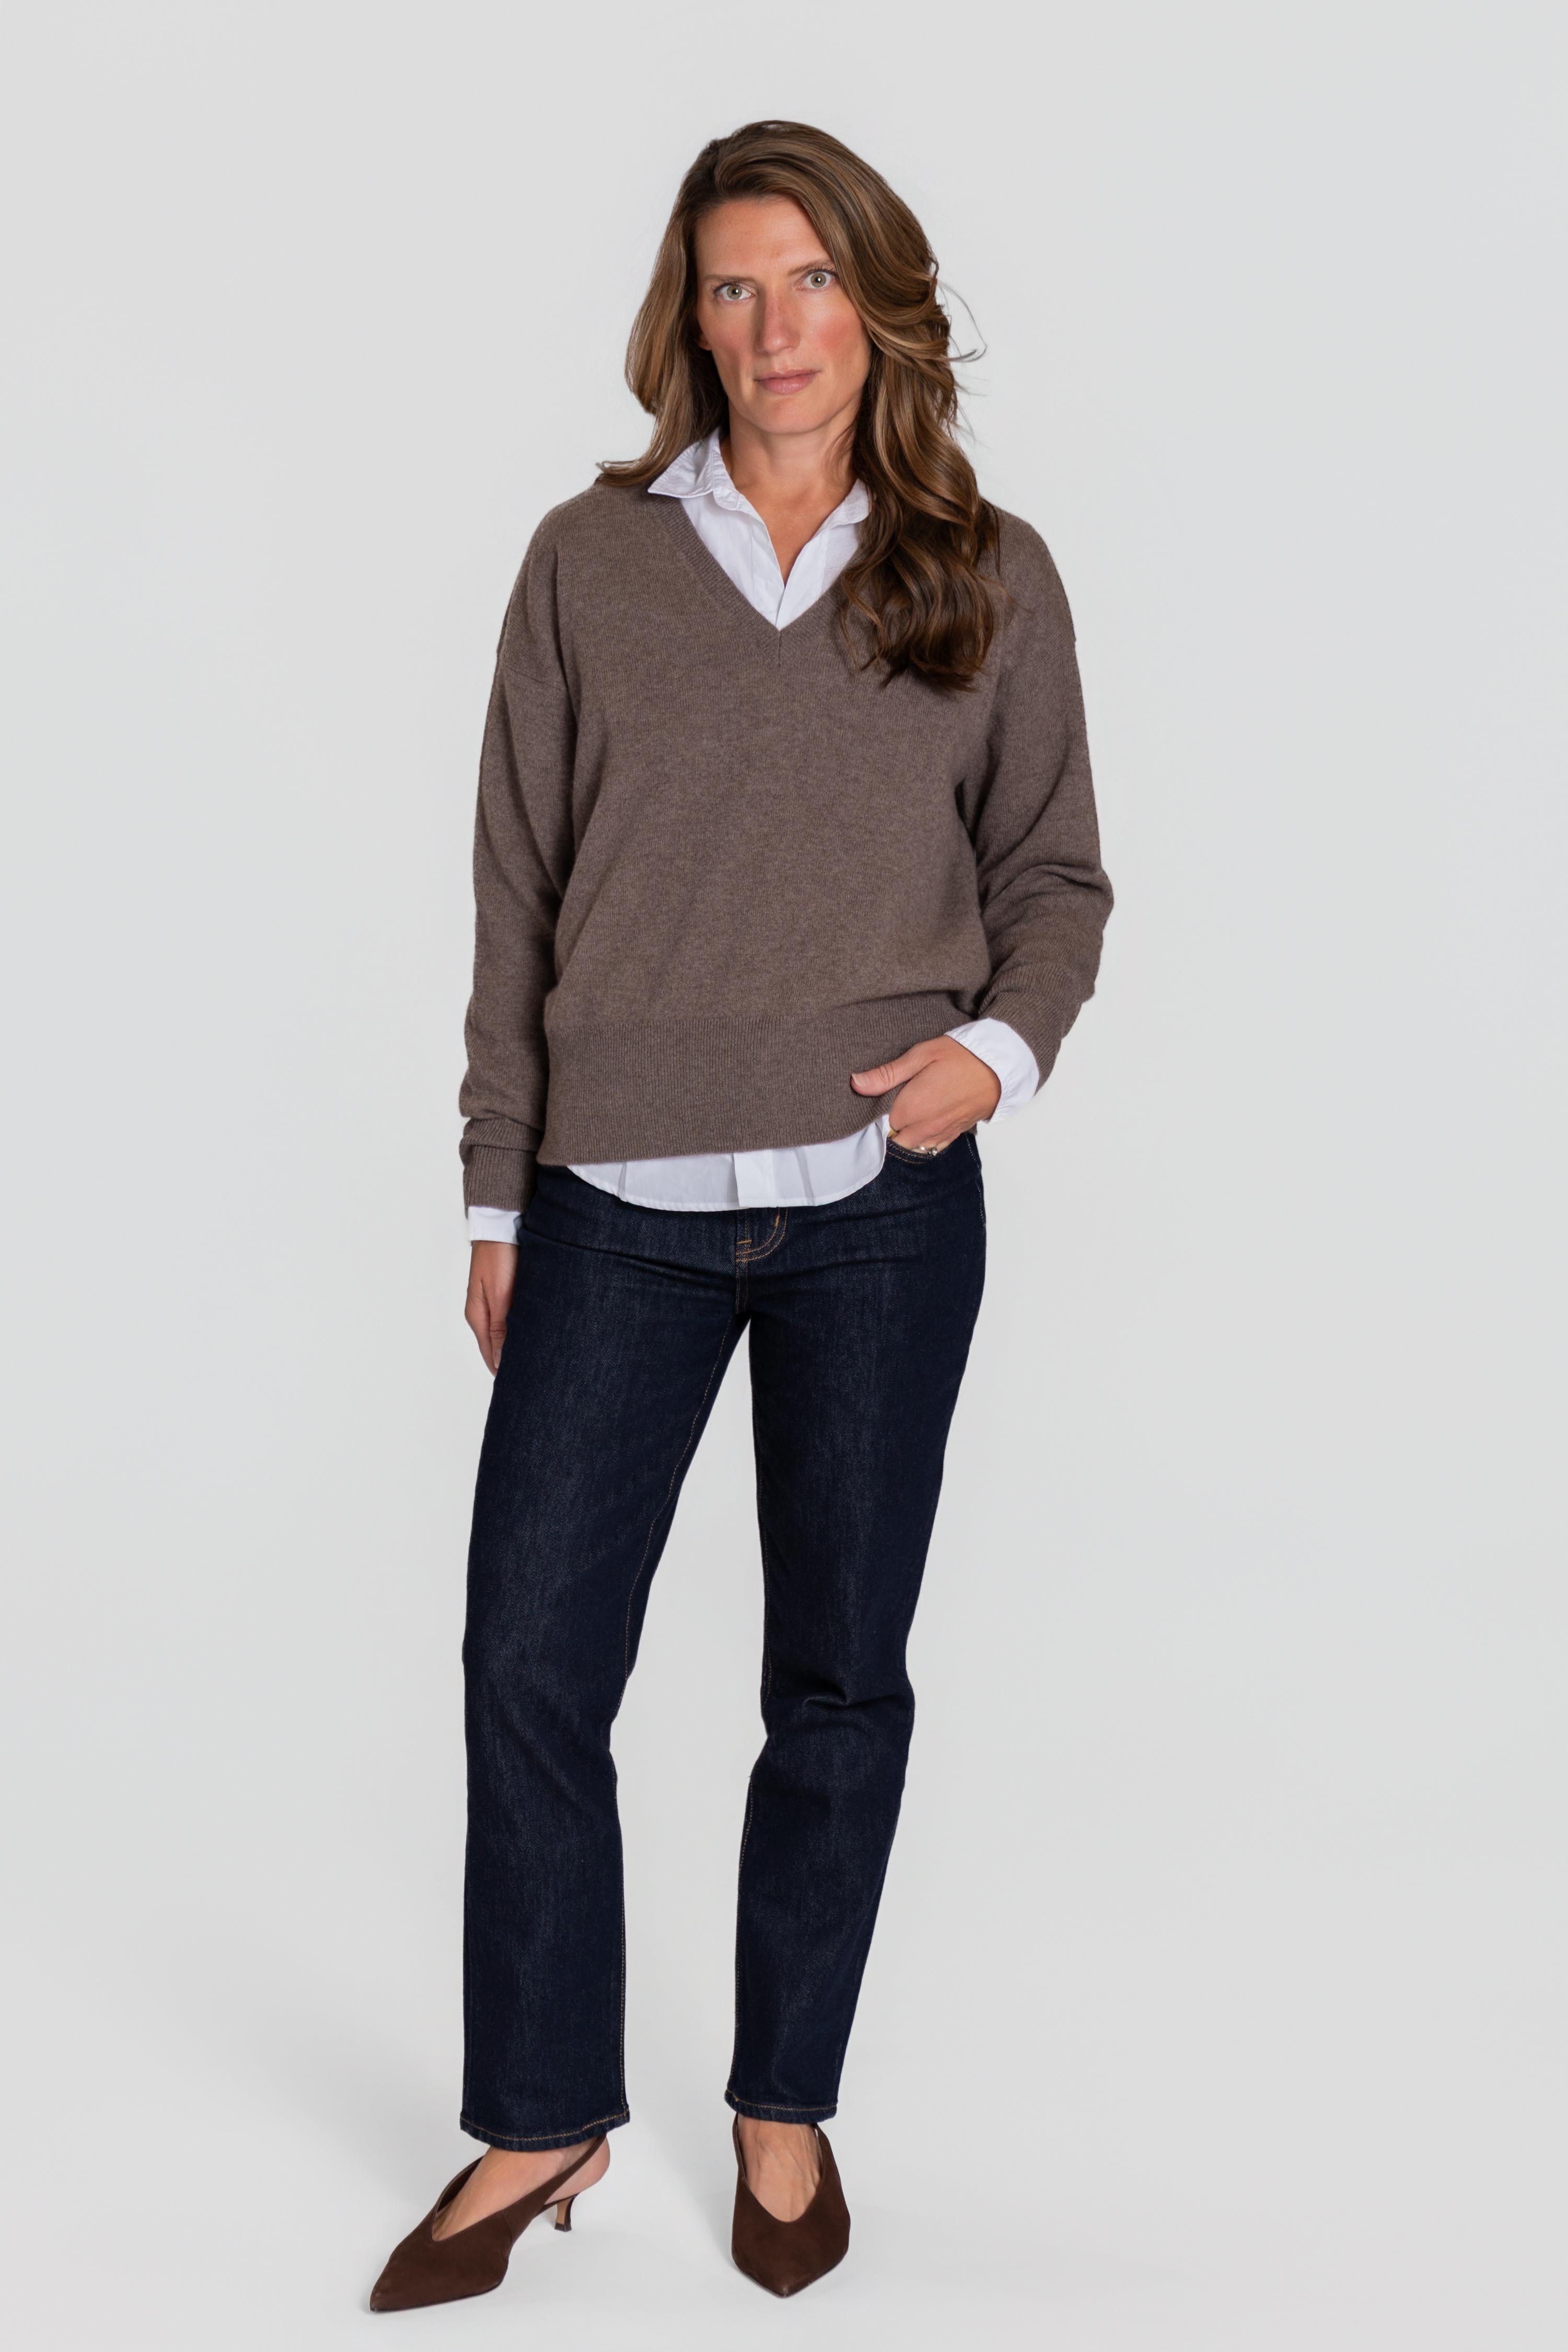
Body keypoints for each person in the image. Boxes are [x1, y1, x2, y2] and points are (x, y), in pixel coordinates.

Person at [370, 117, 1111, 2313]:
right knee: (528, 1657)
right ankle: (540, 2113)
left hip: (882, 1207)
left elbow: (1054, 876)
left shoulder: (986, 569)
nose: (775, 327)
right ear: (685, 321)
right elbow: (515, 893)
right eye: (731, 286)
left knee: (838, 1676)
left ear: (876, 302)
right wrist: (498, 1186)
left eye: (809, 279)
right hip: (611, 1204)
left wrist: (999, 1058)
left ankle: (783, 2103)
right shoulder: (587, 565)